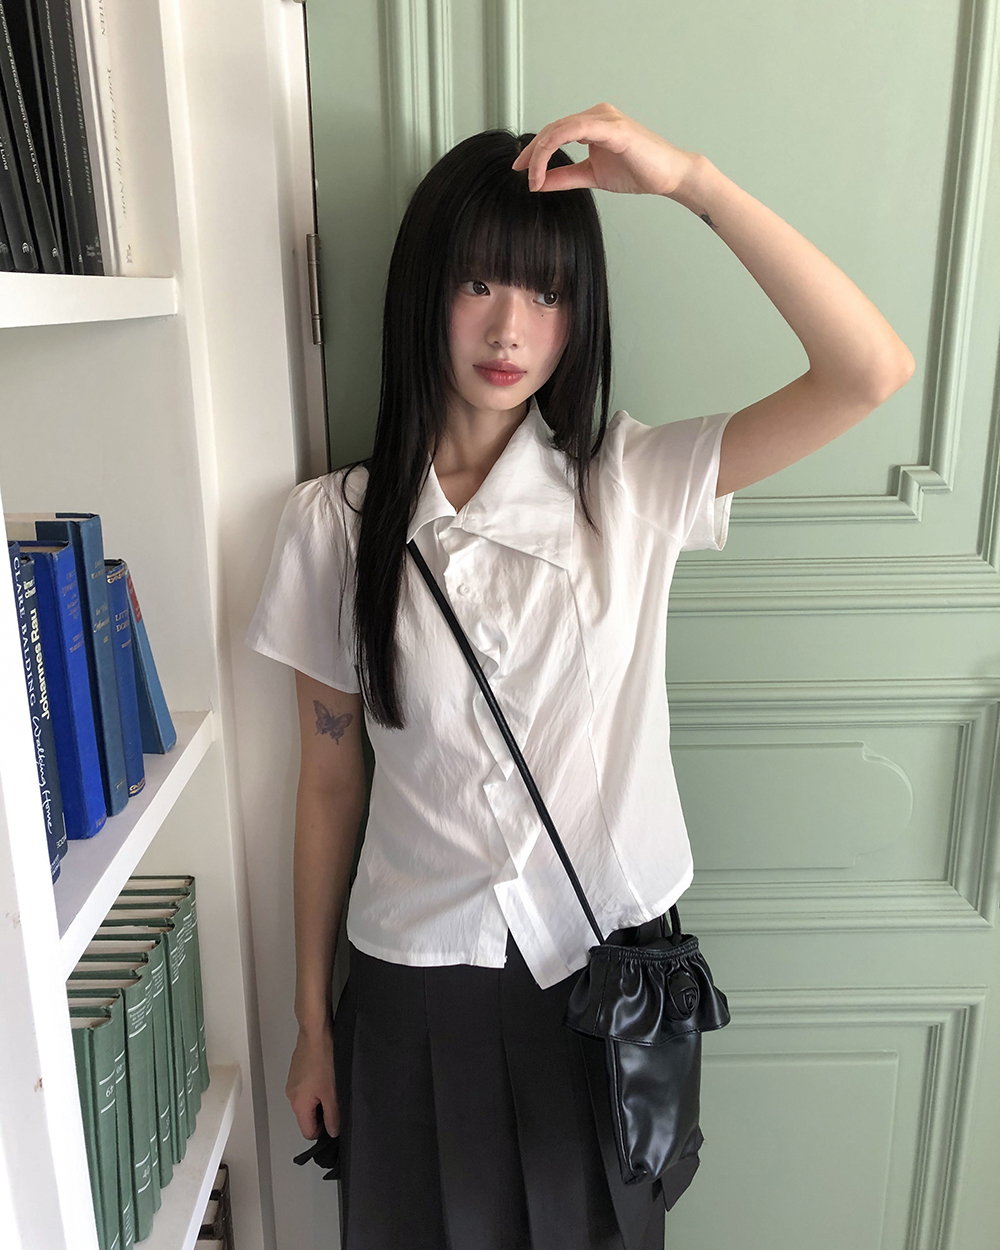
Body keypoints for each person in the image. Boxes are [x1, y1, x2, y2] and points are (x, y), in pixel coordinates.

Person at [245, 103, 914, 1250]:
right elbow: (327, 783)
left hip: (600, 988)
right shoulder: (331, 525)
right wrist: (312, 1022)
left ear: (578, 316)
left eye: (547, 293)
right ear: (424, 291)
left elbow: (868, 369)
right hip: (415, 984)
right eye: (478, 283)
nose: (510, 326)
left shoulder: (630, 484)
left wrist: (693, 180)